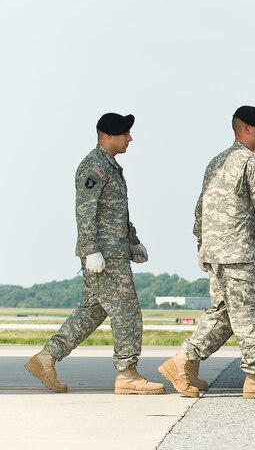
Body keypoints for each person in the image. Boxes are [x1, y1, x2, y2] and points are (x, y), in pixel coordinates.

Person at [25, 113, 165, 395]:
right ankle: (127, 373)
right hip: (104, 254)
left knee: (93, 310)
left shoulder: (110, 166)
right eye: (125, 133)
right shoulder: (96, 166)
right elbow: (85, 210)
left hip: (113, 250)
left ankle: (46, 358)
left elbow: (114, 212)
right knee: (126, 310)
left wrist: (133, 241)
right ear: (108, 135)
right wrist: (91, 250)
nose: (130, 138)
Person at [159, 106, 255, 399]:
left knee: (226, 313)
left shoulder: (217, 161)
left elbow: (200, 208)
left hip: (216, 251)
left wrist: (202, 244)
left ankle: (183, 363)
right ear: (246, 129)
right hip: (238, 253)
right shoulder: (250, 164)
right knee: (253, 312)